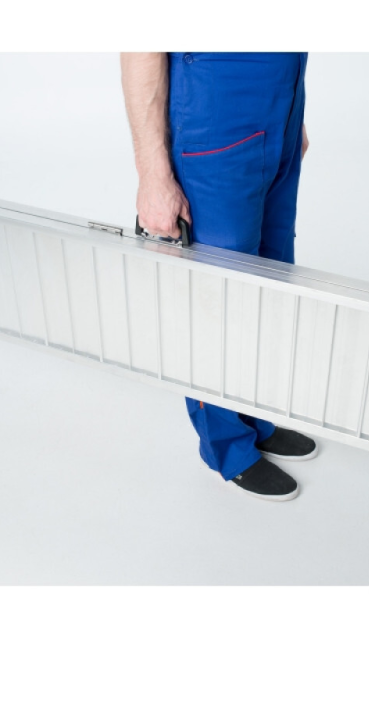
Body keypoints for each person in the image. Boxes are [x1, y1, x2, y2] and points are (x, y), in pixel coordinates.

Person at [120, 52, 316, 501]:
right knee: (217, 301)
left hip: (280, 111)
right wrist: (153, 174)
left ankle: (255, 418)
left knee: (268, 284)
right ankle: (226, 446)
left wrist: (291, 115)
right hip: (218, 121)